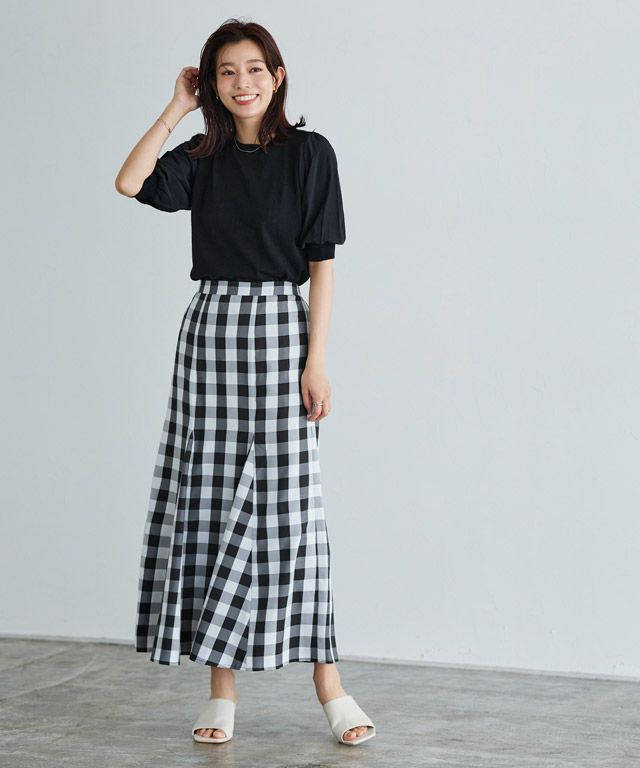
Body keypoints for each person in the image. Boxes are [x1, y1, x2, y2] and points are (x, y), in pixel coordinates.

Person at [115, 18, 376, 747]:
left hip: (283, 330)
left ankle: (330, 685)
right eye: (226, 72)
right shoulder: (201, 156)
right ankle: (221, 692)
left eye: (255, 68)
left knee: (294, 511)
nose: (242, 83)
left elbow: (322, 263)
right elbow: (130, 182)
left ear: (278, 75)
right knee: (208, 500)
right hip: (212, 332)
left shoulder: (310, 154)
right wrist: (176, 108)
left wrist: (316, 360)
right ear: (211, 83)